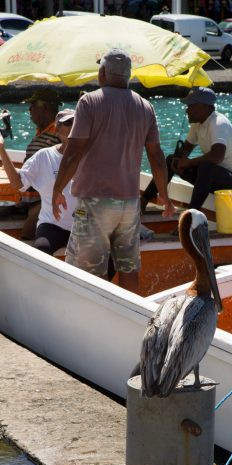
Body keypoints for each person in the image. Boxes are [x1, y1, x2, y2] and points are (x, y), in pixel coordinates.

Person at [52, 48, 175, 293]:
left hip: (96, 202)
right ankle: (127, 319)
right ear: (128, 75)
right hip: (129, 204)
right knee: (128, 268)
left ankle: (88, 323)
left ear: (102, 73)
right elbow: (158, 158)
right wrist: (165, 196)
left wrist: (57, 190)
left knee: (88, 273)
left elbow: (73, 152)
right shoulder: (145, 106)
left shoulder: (89, 101)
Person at [141, 87, 232, 213]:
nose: (187, 110)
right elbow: (187, 148)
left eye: (190, 106)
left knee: (207, 167)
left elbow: (217, 156)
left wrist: (189, 162)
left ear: (203, 107)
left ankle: (190, 216)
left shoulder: (218, 123)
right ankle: (143, 201)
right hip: (217, 177)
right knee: (171, 159)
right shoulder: (197, 123)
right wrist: (179, 159)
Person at [0, 109, 76, 255]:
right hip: (53, 224)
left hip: (83, 226)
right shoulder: (44, 156)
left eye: (77, 122)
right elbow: (18, 184)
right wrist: (2, 149)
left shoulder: (91, 156)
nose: (74, 125)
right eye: (68, 122)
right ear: (57, 129)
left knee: (107, 256)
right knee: (41, 251)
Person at [21, 88, 62, 240]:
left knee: (26, 235)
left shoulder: (60, 133)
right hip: (28, 201)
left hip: (42, 202)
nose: (29, 109)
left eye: (33, 105)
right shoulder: (42, 132)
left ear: (44, 107)